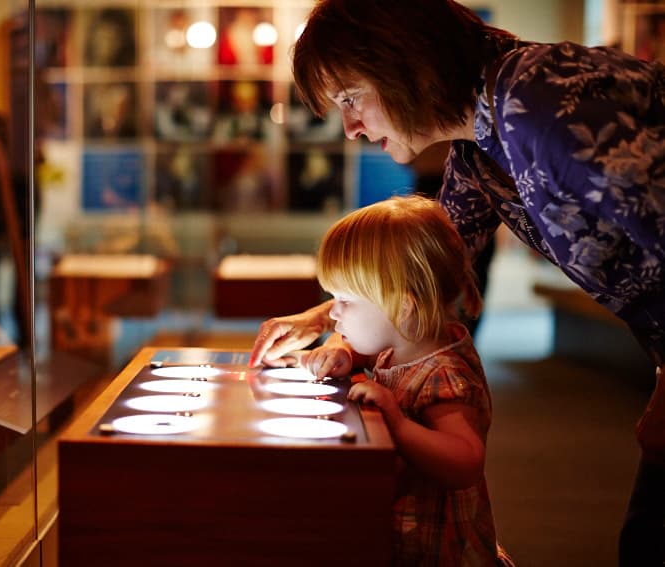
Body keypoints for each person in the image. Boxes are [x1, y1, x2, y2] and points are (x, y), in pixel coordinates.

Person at [248, 1, 665, 565]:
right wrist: (327, 320)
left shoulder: (534, 102)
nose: (350, 128)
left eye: (351, 99)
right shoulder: (479, 143)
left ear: (403, 66)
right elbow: (422, 272)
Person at [298, 195, 511, 565]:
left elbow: (466, 460)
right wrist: (342, 353)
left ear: (402, 306)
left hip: (434, 551)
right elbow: (362, 349)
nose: (333, 312)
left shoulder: (445, 373)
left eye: (346, 299)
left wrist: (397, 423)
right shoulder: (403, 343)